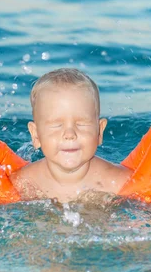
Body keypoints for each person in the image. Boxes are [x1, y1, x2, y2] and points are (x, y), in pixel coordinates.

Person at [10, 68, 131, 203]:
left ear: (99, 131)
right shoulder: (20, 183)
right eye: (56, 125)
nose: (69, 134)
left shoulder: (119, 182)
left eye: (81, 123)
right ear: (36, 135)